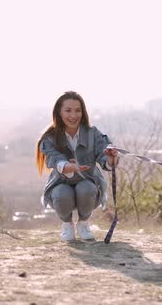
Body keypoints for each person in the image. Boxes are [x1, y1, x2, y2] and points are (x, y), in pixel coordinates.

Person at [35, 91, 119, 241]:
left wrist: (111, 158)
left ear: (83, 112)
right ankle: (67, 225)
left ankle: (83, 223)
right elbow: (54, 158)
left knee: (86, 188)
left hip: (88, 183)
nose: (73, 115)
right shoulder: (50, 138)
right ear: (59, 112)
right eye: (68, 110)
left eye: (78, 110)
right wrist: (68, 166)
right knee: (61, 194)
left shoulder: (93, 133)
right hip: (60, 183)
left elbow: (104, 155)